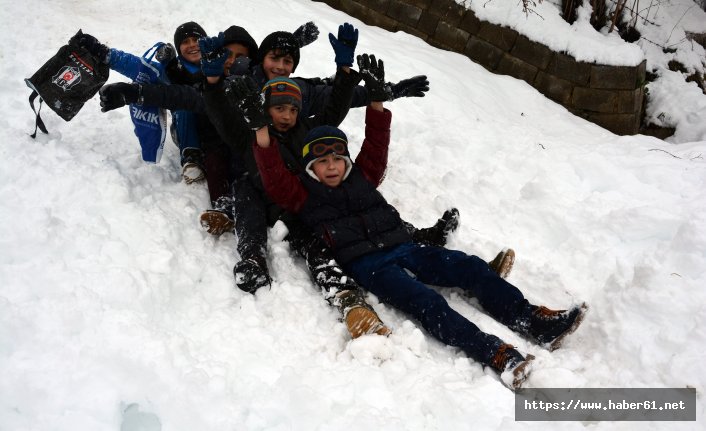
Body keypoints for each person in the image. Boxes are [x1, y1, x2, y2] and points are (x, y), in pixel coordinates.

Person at [243, 53, 587, 389]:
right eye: (322, 161)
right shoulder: (302, 193)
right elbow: (272, 174)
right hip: (371, 266)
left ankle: (532, 321)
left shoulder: (362, 177)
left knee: (469, 267)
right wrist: (261, 128)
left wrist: (376, 104)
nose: (331, 166)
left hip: (404, 247)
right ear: (309, 168)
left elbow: (376, 147)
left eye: (337, 157)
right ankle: (496, 353)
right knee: (428, 303)